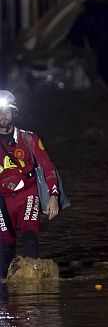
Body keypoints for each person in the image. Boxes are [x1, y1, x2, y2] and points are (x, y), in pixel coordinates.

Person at [0, 90, 61, 276]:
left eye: (7, 112)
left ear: (14, 114)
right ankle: (7, 298)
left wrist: (53, 196)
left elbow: (48, 167)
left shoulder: (29, 138)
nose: (3, 117)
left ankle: (33, 294)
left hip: (27, 194)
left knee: (29, 238)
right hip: (2, 200)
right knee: (5, 247)